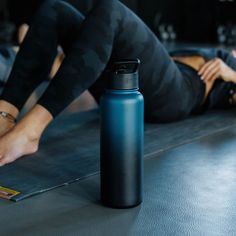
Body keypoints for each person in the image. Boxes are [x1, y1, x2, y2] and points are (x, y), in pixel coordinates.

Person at [0, 0, 236, 167]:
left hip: (177, 93)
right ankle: (5, 114)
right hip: (133, 75)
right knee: (54, 9)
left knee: (112, 9)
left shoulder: (230, 71)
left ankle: (31, 130)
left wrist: (231, 74)